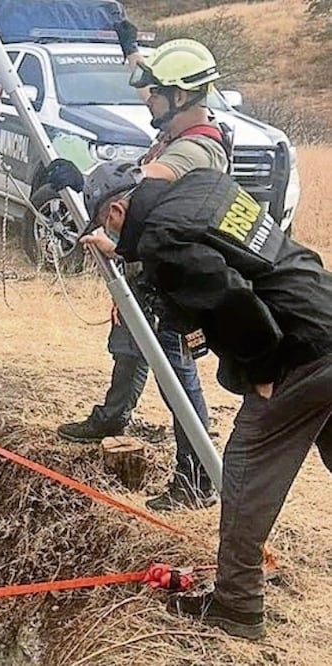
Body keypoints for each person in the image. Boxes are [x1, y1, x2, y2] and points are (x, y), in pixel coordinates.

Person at [80, 158, 332, 640]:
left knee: (246, 466)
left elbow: (229, 296)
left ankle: (236, 604)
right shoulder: (203, 185)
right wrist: (124, 249)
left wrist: (261, 368)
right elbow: (210, 248)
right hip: (322, 306)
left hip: (300, 350)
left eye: (106, 223)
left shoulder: (162, 239)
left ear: (115, 211)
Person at [50, 39, 230, 510]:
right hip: (146, 268)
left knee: (177, 377)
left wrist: (83, 178)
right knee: (129, 346)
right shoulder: (176, 131)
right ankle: (112, 417)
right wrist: (130, 49)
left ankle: (197, 479)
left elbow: (135, 186)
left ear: (181, 96)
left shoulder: (197, 151)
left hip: (175, 285)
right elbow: (149, 96)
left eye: (155, 94)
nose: (146, 100)